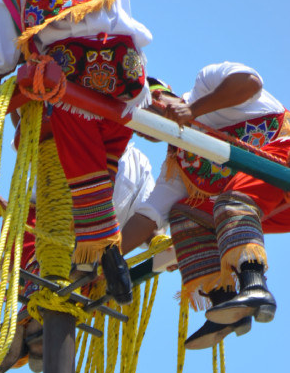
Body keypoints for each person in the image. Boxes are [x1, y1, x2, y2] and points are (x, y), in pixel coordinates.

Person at [0, 0, 153, 304]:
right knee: (106, 152)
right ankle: (95, 248)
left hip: (72, 70)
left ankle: (102, 247)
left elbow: (0, 25)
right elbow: (124, 12)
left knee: (72, 144)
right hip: (126, 68)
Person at [121, 65, 288, 348]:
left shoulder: (205, 84)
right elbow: (148, 216)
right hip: (269, 206)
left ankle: (255, 285)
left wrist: (193, 110)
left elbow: (250, 82)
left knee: (229, 199)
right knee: (184, 213)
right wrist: (103, 259)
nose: (147, 122)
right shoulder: (179, 162)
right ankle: (226, 306)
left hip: (282, 163)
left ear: (165, 98)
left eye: (147, 108)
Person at [0, 141, 160, 373]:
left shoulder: (140, 164)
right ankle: (32, 325)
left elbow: (150, 219)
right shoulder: (74, 129)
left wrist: (163, 244)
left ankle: (35, 330)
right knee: (52, 266)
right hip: (41, 224)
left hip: (96, 248)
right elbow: (28, 128)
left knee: (85, 279)